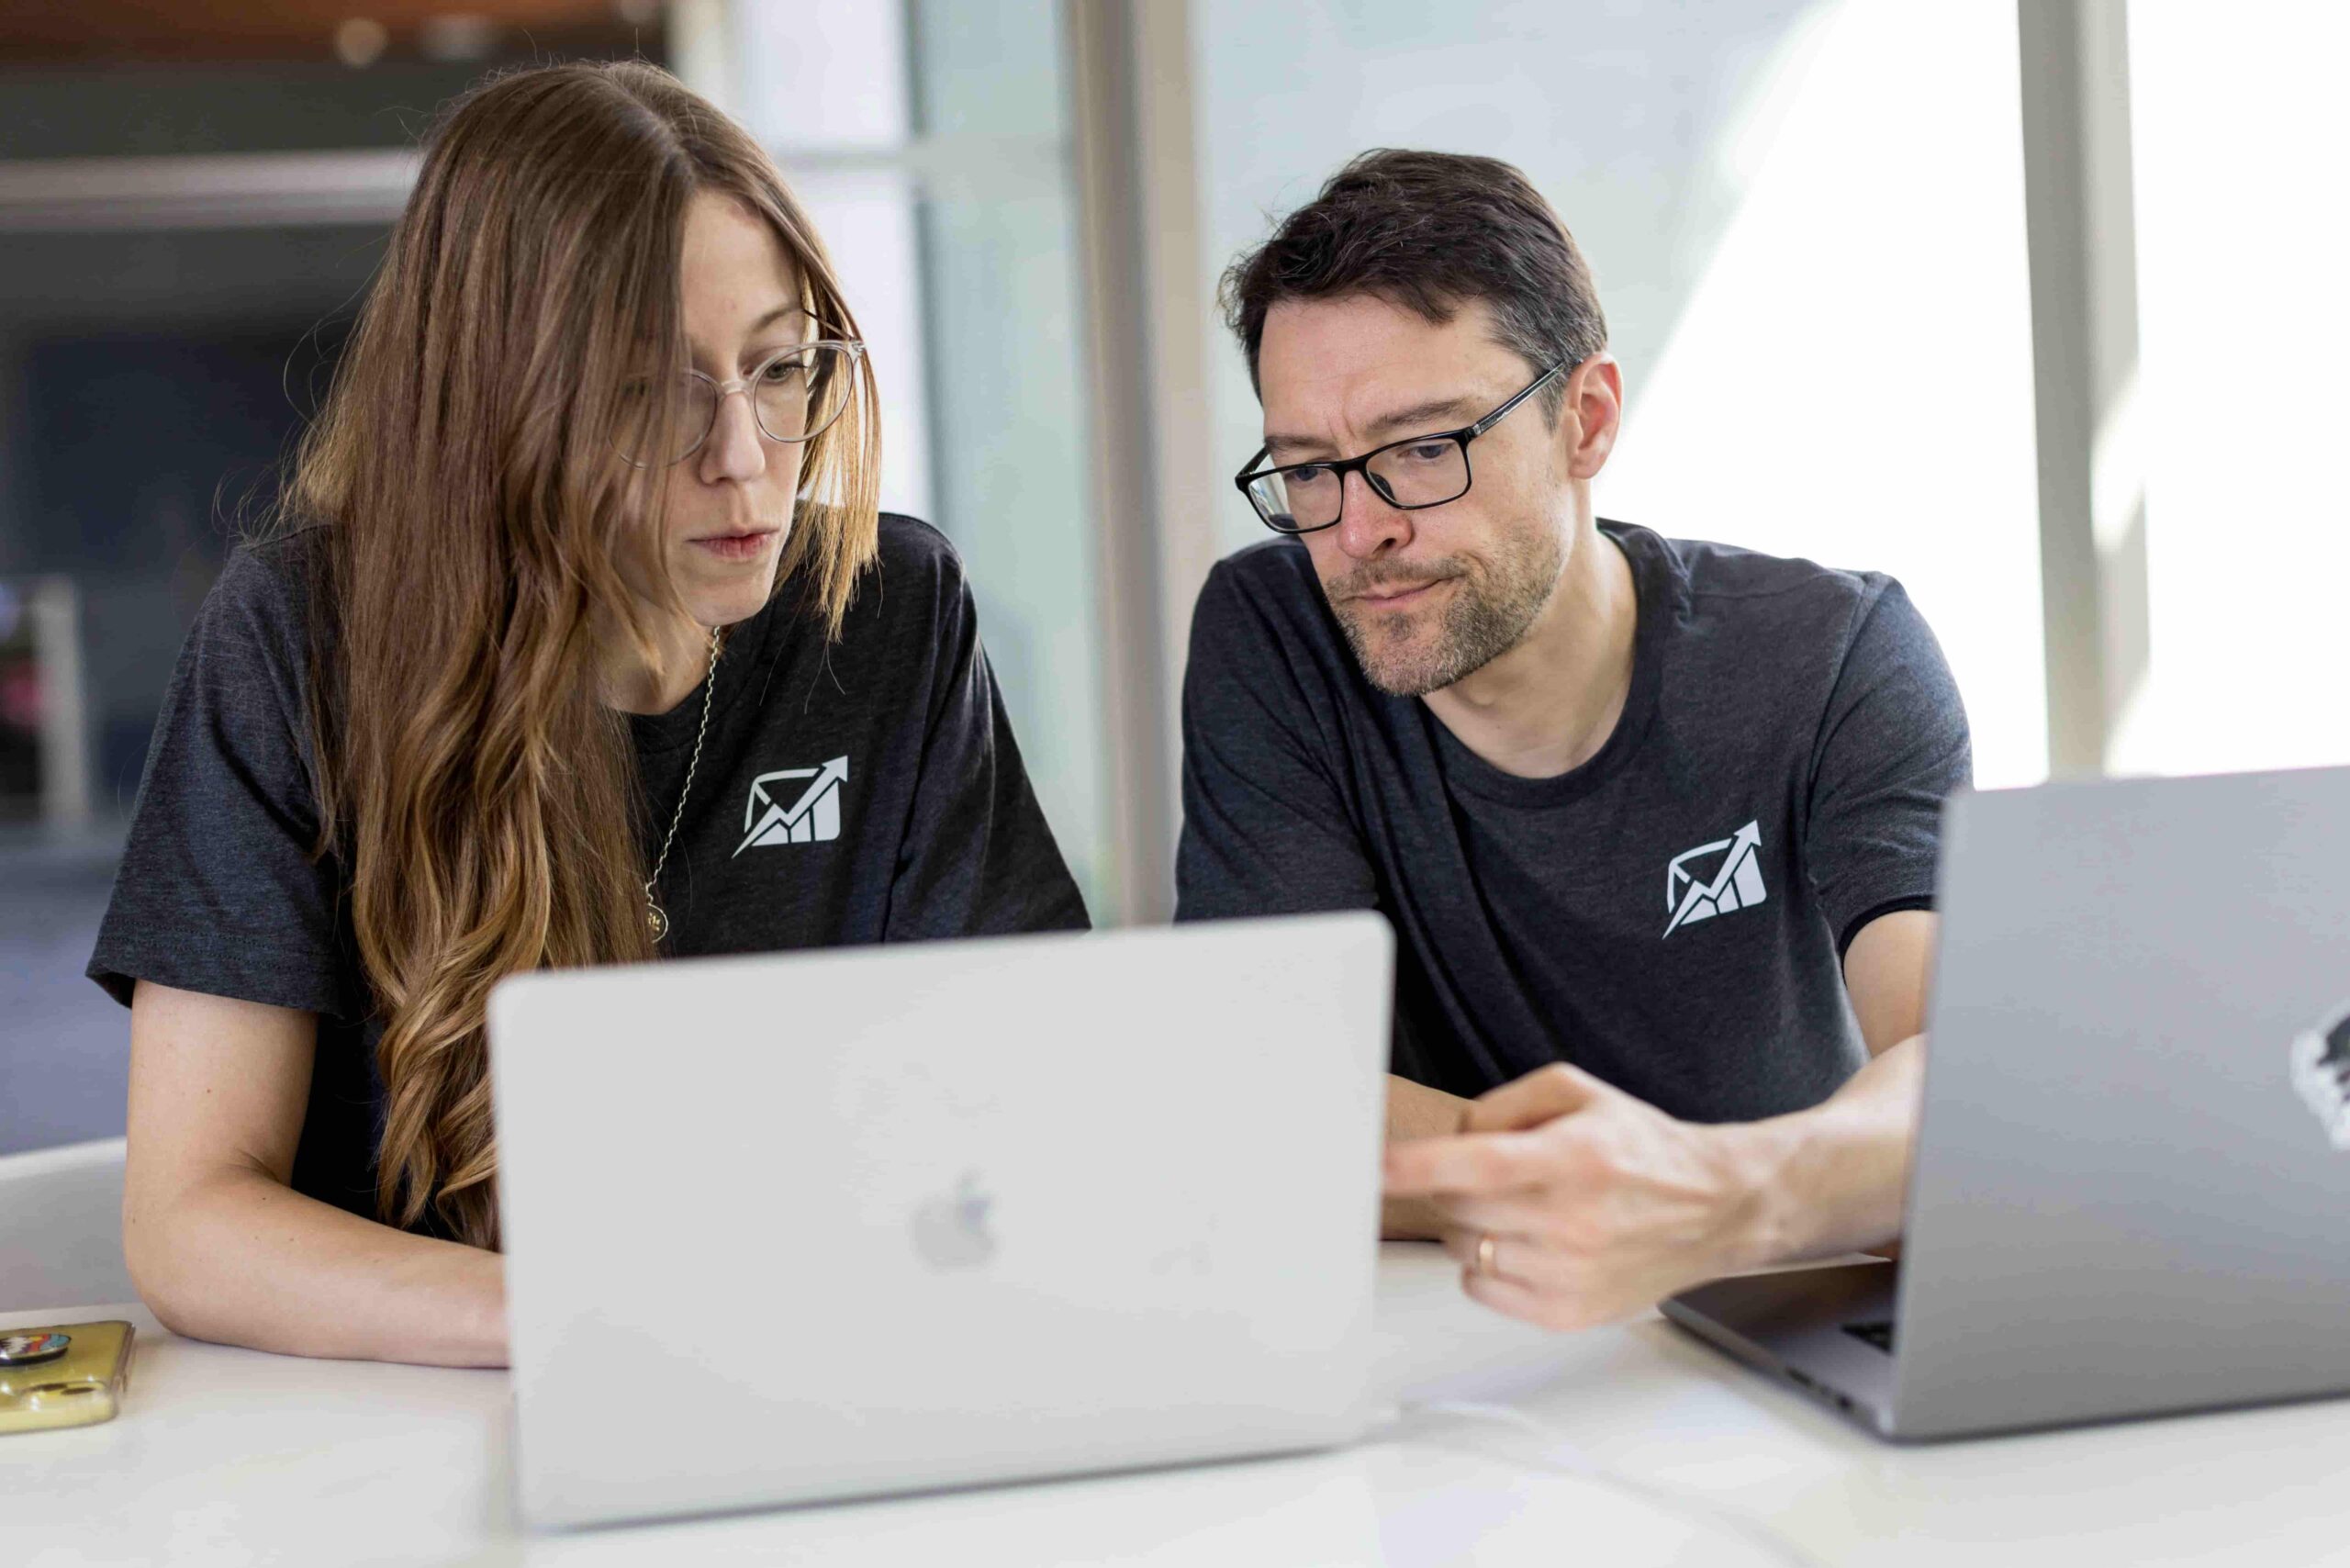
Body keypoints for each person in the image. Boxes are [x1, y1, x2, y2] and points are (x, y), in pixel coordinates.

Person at [85, 62, 1086, 1368]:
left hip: (839, 1363)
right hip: (420, 1428)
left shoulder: (890, 608)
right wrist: (596, 1325)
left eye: (780, 369)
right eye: (649, 391)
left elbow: (1039, 1076)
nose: (743, 457)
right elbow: (193, 1221)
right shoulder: (296, 634)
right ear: (499, 406)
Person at [1178, 150, 1964, 1330]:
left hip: (1776, 1300)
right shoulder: (1275, 632)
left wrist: (1711, 1198)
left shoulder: (1833, 656)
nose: (1357, 532)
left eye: (1420, 450)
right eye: (1306, 471)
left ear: (1584, 420)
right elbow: (1256, 1091)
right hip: (1445, 1335)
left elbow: (1962, 1077)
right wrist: (1606, 1190)